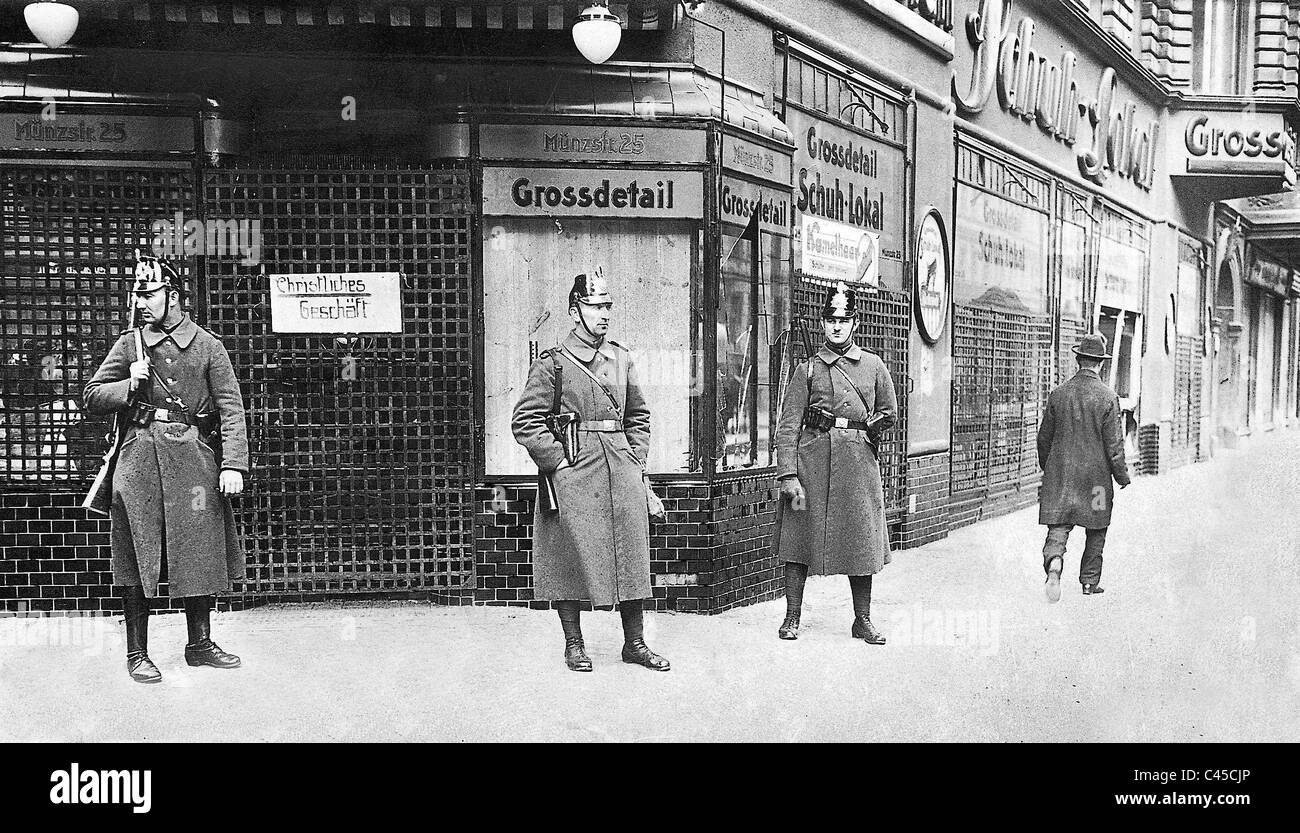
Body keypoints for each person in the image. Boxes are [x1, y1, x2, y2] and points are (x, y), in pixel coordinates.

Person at [83, 255, 249, 684]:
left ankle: (199, 644)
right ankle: (137, 653)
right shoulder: (129, 345)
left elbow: (231, 409)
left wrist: (233, 464)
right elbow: (92, 395)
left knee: (198, 546)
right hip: (138, 457)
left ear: (173, 297)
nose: (140, 302)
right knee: (136, 551)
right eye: (137, 294)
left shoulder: (209, 345)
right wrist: (129, 384)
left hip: (193, 459)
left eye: (148, 293)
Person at [511, 270, 668, 673]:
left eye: (607, 306)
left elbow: (637, 415)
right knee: (567, 556)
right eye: (595, 306)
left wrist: (636, 458)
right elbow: (526, 420)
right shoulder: (554, 365)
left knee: (631, 554)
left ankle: (634, 643)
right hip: (576, 471)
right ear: (573, 310)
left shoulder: (618, 358)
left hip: (620, 469)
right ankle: (574, 645)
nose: (603, 314)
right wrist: (559, 463)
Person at [773, 281, 898, 644]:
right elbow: (788, 425)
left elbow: (889, 411)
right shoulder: (806, 370)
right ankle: (792, 617)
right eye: (830, 319)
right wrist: (787, 474)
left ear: (855, 322)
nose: (837, 326)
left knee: (861, 542)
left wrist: (870, 428)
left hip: (858, 469)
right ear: (822, 323)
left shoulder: (873, 366)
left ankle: (863, 620)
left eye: (843, 320)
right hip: (810, 469)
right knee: (796, 541)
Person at [1037, 333, 1131, 601]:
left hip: (1062, 477)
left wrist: (1051, 468)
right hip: (1097, 482)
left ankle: (1054, 561)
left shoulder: (1058, 394)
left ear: (1078, 360)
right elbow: (1114, 445)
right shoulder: (1108, 397)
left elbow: (1044, 438)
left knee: (1058, 525)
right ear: (1100, 364)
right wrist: (1122, 476)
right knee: (1098, 526)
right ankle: (1089, 581)